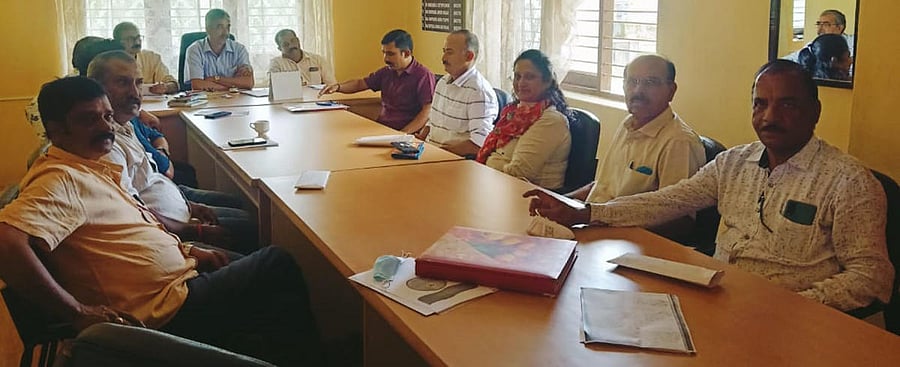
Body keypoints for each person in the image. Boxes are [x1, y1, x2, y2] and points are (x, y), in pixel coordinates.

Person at [0, 76, 323, 366]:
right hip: (161, 312)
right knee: (276, 262)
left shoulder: (90, 166)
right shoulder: (60, 180)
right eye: (89, 119)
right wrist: (76, 311)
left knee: (248, 264)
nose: (105, 127)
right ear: (56, 129)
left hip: (176, 283)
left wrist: (188, 249)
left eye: (107, 116)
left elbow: (130, 230)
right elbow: (5, 241)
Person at [524, 60, 893, 312]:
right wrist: (589, 212)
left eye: (788, 105)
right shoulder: (735, 162)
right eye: (760, 104)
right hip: (718, 297)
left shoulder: (848, 182)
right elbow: (669, 200)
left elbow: (872, 278)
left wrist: (796, 302)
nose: (769, 116)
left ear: (815, 112)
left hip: (792, 319)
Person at [87, 50, 257, 254]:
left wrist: (190, 206)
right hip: (169, 238)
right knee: (261, 242)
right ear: (97, 88)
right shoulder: (105, 145)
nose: (135, 93)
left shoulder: (125, 124)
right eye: (123, 83)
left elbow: (149, 180)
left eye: (138, 83)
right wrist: (195, 231)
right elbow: (134, 212)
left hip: (180, 214)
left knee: (247, 219)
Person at [566, 55, 705, 238]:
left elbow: (679, 221)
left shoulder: (678, 142)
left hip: (623, 241)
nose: (638, 90)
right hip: (593, 228)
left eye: (651, 82)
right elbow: (603, 186)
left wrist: (604, 226)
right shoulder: (628, 124)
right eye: (632, 81)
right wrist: (562, 202)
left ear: (671, 91)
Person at [476, 49, 571, 191]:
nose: (521, 83)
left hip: (533, 199)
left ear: (547, 82)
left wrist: (490, 163)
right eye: (517, 76)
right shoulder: (513, 112)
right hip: (499, 187)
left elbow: (518, 172)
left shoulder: (551, 120)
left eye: (530, 77)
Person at [319, 29, 435, 133]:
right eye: (384, 53)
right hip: (382, 129)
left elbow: (427, 111)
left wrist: (403, 134)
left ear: (406, 53)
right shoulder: (387, 72)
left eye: (391, 54)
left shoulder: (423, 75)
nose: (386, 58)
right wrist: (338, 87)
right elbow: (360, 84)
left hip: (406, 135)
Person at [415, 29, 498, 157]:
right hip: (429, 153)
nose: (443, 58)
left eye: (449, 52)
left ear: (469, 56)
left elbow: (480, 142)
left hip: (453, 161)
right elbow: (433, 122)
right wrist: (419, 140)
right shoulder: (443, 82)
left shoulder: (479, 92)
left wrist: (441, 153)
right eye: (444, 52)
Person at [184, 8, 254, 91]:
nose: (226, 33)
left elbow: (248, 83)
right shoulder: (195, 50)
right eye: (220, 27)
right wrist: (233, 86)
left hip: (234, 101)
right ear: (208, 29)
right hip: (206, 102)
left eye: (228, 27)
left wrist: (215, 79)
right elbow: (198, 85)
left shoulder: (239, 49)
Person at [113, 21, 178, 94]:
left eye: (138, 37)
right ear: (118, 42)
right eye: (130, 39)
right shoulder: (108, 63)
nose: (137, 42)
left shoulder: (151, 58)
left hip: (151, 104)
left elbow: (174, 84)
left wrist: (165, 87)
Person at [268, 28, 336, 86]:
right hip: (291, 101)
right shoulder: (276, 63)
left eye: (293, 41)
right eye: (285, 44)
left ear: (298, 41)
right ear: (280, 48)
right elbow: (274, 87)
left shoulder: (318, 59)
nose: (291, 46)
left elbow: (331, 85)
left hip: (317, 99)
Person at [784, 9, 855, 62]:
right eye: (818, 24)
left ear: (839, 28)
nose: (820, 29)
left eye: (826, 25)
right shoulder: (815, 44)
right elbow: (794, 58)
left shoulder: (853, 44)